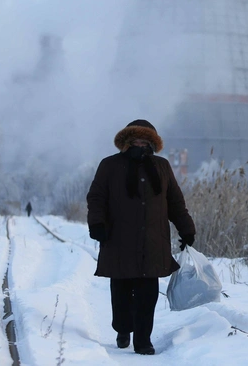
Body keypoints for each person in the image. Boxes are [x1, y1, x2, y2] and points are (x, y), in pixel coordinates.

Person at [86, 119, 196, 355]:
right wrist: (97, 223)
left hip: (153, 242)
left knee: (147, 294)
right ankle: (123, 329)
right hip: (118, 240)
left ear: (152, 144)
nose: (140, 145)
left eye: (145, 141)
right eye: (135, 140)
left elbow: (175, 202)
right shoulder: (110, 165)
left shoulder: (162, 167)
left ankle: (143, 340)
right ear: (125, 143)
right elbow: (96, 197)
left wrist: (186, 229)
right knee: (121, 292)